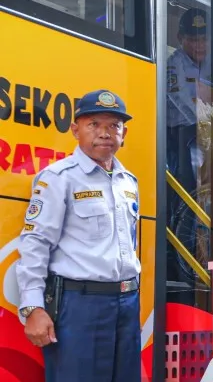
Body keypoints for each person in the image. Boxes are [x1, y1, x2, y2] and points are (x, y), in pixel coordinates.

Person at [15, 90, 141, 381]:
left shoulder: (128, 182)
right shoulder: (59, 178)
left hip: (127, 303)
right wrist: (33, 307)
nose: (105, 133)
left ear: (124, 133)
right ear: (75, 130)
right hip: (80, 306)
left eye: (114, 126)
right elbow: (35, 243)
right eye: (94, 124)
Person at [167, 7, 211, 195]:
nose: (199, 45)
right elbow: (179, 97)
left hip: (207, 133)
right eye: (193, 40)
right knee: (188, 185)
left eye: (204, 39)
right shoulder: (175, 64)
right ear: (180, 38)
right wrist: (203, 122)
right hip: (181, 135)